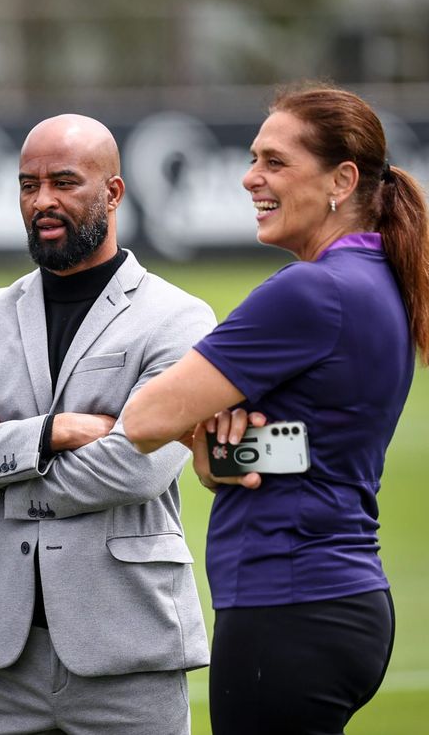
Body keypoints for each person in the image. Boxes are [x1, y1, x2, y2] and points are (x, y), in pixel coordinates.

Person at [123, 84, 429, 734]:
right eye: (252, 158)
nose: (250, 177)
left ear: (342, 180)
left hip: (287, 605)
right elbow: (308, 444)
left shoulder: (311, 291)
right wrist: (217, 449)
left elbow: (145, 420)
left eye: (275, 162)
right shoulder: (379, 279)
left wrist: (190, 436)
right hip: (341, 599)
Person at [0, 114, 215, 735]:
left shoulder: (178, 319)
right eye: (28, 185)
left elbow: (137, 468)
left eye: (64, 182)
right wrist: (52, 433)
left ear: (114, 191)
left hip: (130, 650)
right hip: (0, 658)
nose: (42, 200)